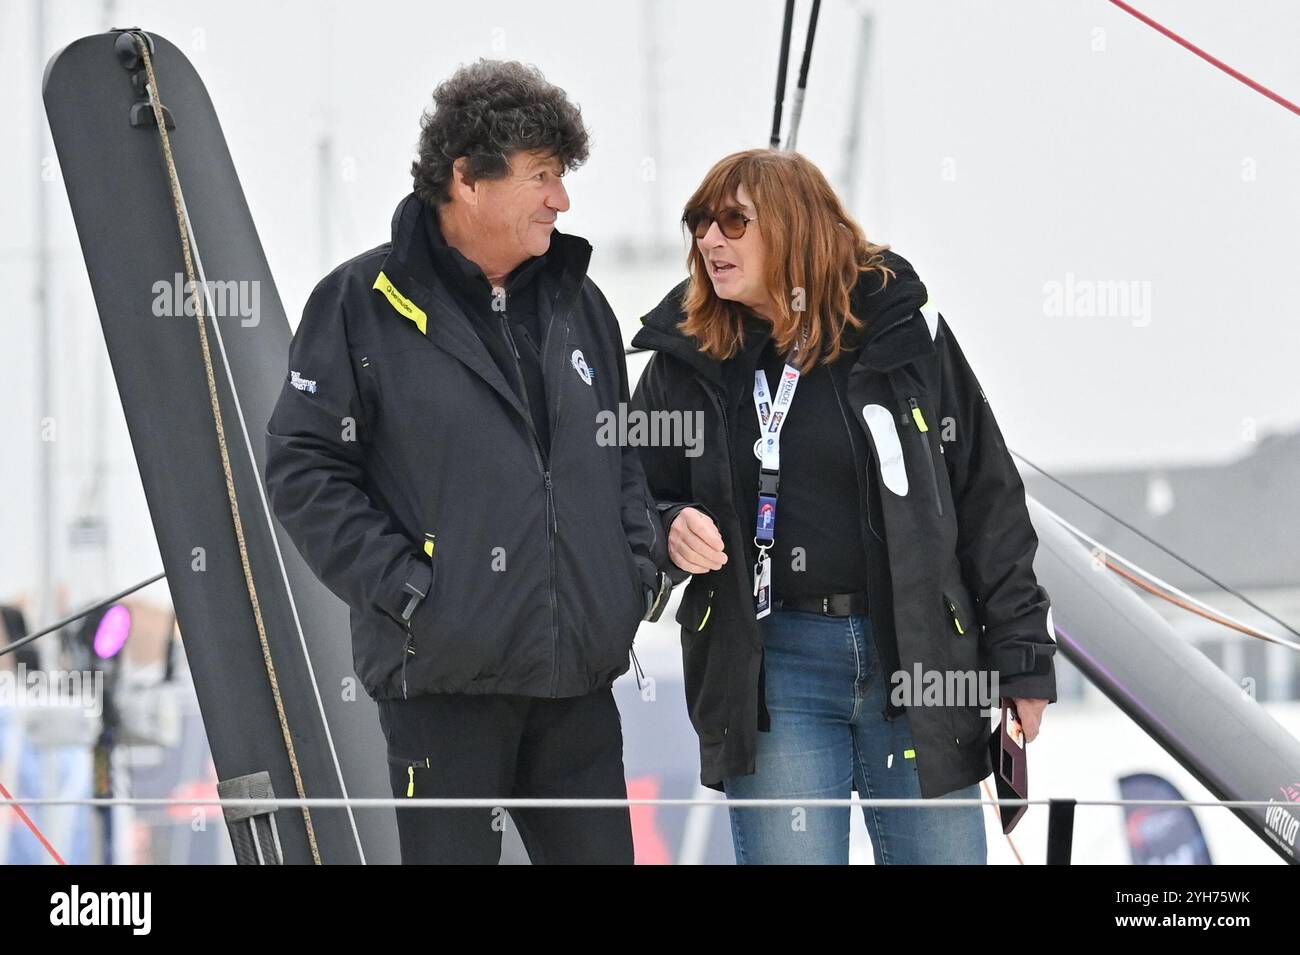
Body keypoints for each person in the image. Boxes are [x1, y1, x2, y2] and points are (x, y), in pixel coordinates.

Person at [265, 60, 668, 864]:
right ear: (468, 179)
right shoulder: (358, 305)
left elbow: (621, 462)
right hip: (443, 684)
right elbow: (304, 468)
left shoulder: (580, 303)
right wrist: (414, 592)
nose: (562, 198)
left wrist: (633, 573)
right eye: (543, 176)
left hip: (576, 686)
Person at [631, 148, 1057, 864]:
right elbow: (627, 492)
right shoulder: (684, 360)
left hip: (917, 659)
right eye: (700, 222)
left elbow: (988, 499)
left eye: (733, 220)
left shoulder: (904, 336)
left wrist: (1021, 661)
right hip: (775, 670)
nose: (710, 239)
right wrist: (669, 524)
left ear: (795, 226)